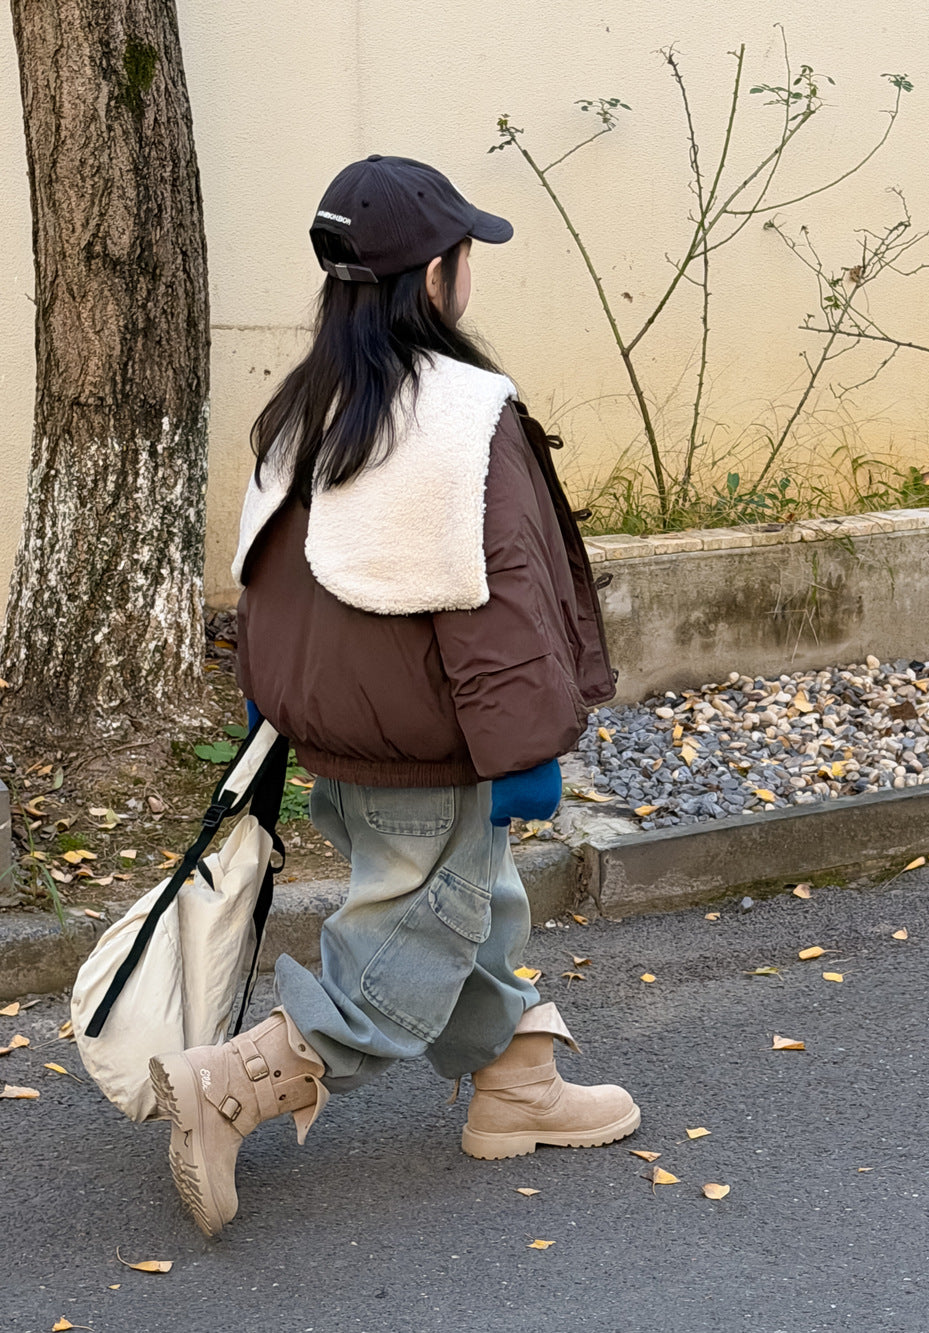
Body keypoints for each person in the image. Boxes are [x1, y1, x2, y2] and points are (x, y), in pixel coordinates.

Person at [149, 155, 639, 1237]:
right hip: (435, 733)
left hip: (340, 727)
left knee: (466, 899)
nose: (469, 272)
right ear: (432, 280)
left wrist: (265, 716)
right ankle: (232, 1083)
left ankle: (516, 1087)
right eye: (462, 253)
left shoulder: (303, 406)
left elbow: (269, 582)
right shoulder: (464, 413)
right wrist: (522, 751)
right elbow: (501, 593)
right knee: (416, 933)